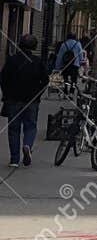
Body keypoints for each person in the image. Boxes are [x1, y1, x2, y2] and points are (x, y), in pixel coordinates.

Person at [3, 35, 50, 168]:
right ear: (34, 47)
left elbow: (3, 78)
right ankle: (27, 145)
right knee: (30, 126)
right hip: (32, 100)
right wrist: (38, 94)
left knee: (13, 129)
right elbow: (45, 80)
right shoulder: (37, 61)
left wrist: (7, 94)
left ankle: (14, 160)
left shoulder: (12, 61)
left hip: (13, 100)